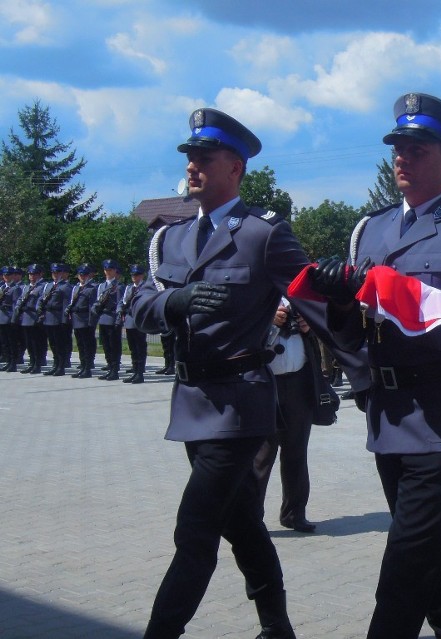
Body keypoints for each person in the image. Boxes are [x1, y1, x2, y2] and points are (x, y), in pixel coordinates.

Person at [304, 92, 441, 639]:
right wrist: (342, 300)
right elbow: (357, 332)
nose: (402, 157)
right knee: (432, 545)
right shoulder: (371, 230)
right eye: (398, 146)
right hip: (390, 413)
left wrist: (383, 290)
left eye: (417, 148)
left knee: (406, 557)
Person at [131, 107, 310, 639]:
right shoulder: (171, 238)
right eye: (189, 158)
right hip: (191, 401)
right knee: (241, 522)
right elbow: (138, 308)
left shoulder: (262, 234)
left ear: (234, 167)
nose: (192, 167)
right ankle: (278, 627)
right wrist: (175, 301)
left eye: (204, 158)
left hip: (240, 405)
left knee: (196, 529)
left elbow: (312, 298)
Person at [253, 299, 326, 533]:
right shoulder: (258, 293)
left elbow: (328, 332)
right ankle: (251, 518)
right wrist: (268, 319)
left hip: (298, 384)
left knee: (296, 452)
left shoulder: (302, 296)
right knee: (261, 456)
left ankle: (294, 514)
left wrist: (309, 325)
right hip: (265, 385)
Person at [38, 262, 74, 376]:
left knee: (60, 344)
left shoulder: (66, 287)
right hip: (48, 317)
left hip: (58, 318)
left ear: (63, 273)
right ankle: (55, 364)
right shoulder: (48, 286)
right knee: (52, 343)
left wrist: (64, 321)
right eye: (53, 272)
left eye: (58, 272)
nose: (55, 274)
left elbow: (65, 305)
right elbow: (42, 300)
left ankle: (61, 366)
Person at [14, 264, 48, 374]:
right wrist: (19, 306)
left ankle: (37, 364)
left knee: (36, 342)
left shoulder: (44, 286)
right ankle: (32, 363)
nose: (32, 276)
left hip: (35, 318)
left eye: (34, 274)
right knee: (29, 343)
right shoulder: (27, 287)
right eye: (30, 274)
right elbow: (20, 299)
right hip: (26, 318)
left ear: (40, 274)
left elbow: (42, 301)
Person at [66, 263, 99, 378]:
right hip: (76, 319)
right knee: (80, 344)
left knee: (87, 344)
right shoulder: (76, 288)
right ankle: (83, 365)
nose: (83, 277)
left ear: (89, 276)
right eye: (81, 275)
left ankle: (88, 368)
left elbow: (92, 307)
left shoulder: (92, 288)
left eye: (85, 275)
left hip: (86, 320)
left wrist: (91, 322)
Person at [92, 259, 123, 381]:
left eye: (110, 270)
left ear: (115, 271)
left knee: (114, 345)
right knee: (105, 345)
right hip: (103, 318)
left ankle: (114, 370)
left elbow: (120, 303)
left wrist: (118, 320)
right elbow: (98, 301)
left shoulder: (119, 286)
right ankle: (109, 367)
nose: (108, 272)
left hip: (112, 318)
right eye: (106, 270)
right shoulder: (102, 286)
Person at [118, 264, 148, 384]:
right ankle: (135, 371)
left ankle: (140, 373)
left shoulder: (146, 288)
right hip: (130, 321)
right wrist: (120, 309)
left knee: (140, 347)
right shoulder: (129, 288)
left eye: (137, 275)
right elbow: (123, 301)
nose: (134, 277)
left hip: (139, 321)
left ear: (142, 275)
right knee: (132, 348)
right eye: (133, 275)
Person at [0, 266, 24, 371]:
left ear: (13, 276)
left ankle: (13, 362)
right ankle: (7, 360)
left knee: (12, 342)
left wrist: (14, 319)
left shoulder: (15, 288)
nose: (6, 277)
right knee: (4, 342)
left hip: (9, 317)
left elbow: (16, 305)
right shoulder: (2, 288)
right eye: (5, 275)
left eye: (9, 275)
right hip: (1, 317)